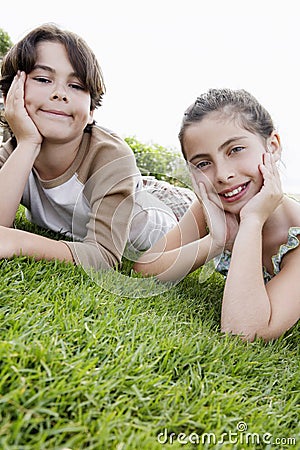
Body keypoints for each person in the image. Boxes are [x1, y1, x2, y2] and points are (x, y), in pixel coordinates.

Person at [0, 24, 194, 272]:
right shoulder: (14, 153)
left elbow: (104, 257)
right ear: (10, 94)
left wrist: (20, 242)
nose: (60, 93)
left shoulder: (110, 156)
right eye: (43, 79)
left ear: (91, 110)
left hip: (170, 213)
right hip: (125, 188)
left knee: (216, 216)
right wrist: (28, 143)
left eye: (76, 86)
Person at [134, 88, 300, 342]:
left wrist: (252, 222)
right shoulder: (217, 204)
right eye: (203, 163)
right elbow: (145, 268)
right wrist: (215, 242)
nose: (222, 174)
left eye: (235, 150)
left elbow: (245, 331)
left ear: (273, 146)